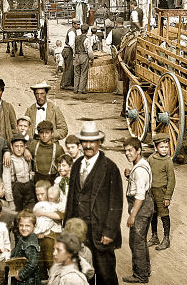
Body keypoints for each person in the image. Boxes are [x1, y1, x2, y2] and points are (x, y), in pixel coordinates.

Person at [64, 121, 123, 285]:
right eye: (85, 142)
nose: (88, 146)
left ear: (99, 142)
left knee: (105, 274)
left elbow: (116, 203)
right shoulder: (76, 165)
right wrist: (67, 228)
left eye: (92, 142)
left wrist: (109, 232)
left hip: (101, 231)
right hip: (79, 231)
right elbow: (71, 199)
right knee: (83, 272)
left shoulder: (110, 168)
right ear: (81, 143)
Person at [122, 137, 153, 283]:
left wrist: (132, 215)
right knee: (140, 241)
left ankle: (140, 275)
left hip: (140, 208)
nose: (127, 153)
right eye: (125, 151)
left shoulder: (139, 170)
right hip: (145, 206)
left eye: (130, 150)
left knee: (136, 242)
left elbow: (140, 195)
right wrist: (130, 176)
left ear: (138, 150)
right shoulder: (141, 164)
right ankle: (145, 270)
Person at [146, 136, 174, 251]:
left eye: (166, 147)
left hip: (162, 193)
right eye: (161, 147)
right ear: (156, 147)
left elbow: (172, 180)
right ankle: (154, 236)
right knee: (152, 213)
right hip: (151, 192)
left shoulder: (168, 161)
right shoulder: (151, 159)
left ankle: (166, 239)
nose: (164, 149)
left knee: (164, 214)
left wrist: (167, 196)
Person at [33, 183, 64, 278]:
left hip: (51, 236)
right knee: (40, 262)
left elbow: (60, 216)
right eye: (37, 194)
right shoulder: (38, 205)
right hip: (40, 236)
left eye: (42, 194)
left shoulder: (55, 205)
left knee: (51, 261)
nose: (39, 197)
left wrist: (44, 213)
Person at [4, 133, 35, 210]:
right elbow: (6, 181)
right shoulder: (9, 160)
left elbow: (31, 172)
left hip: (29, 192)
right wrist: (10, 201)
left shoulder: (27, 158)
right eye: (16, 146)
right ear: (11, 147)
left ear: (25, 147)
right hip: (16, 193)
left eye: (21, 146)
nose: (19, 149)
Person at [10, 209, 41, 285]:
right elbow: (17, 250)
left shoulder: (31, 244)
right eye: (21, 225)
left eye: (27, 226)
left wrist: (21, 275)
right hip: (19, 275)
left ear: (34, 226)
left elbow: (32, 264)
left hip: (28, 281)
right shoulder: (23, 238)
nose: (24, 228)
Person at [29, 120, 65, 185]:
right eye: (41, 133)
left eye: (47, 133)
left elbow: (63, 166)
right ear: (38, 134)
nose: (44, 135)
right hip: (37, 180)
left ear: (52, 133)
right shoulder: (33, 145)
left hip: (52, 180)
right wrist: (26, 151)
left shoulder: (58, 149)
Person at [73, 26, 93, 95]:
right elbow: (89, 50)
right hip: (84, 56)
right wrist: (91, 58)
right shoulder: (87, 39)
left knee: (76, 74)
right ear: (87, 31)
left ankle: (75, 89)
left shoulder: (76, 38)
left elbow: (73, 46)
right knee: (84, 73)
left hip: (76, 56)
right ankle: (81, 89)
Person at [61, 21, 78, 90]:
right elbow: (71, 43)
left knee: (67, 67)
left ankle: (63, 83)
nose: (78, 25)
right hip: (68, 50)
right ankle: (66, 84)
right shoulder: (72, 32)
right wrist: (74, 51)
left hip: (67, 50)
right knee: (69, 67)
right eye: (77, 24)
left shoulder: (72, 31)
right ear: (73, 24)